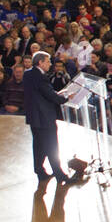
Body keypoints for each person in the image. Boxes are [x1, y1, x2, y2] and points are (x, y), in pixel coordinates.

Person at [23, 50, 78, 184]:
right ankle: (61, 176)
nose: (50, 64)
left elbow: (42, 92)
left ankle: (40, 172)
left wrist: (57, 93)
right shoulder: (41, 76)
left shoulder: (28, 73)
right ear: (40, 62)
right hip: (44, 117)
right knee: (52, 146)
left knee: (39, 145)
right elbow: (50, 96)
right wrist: (65, 97)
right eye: (48, 61)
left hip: (34, 116)